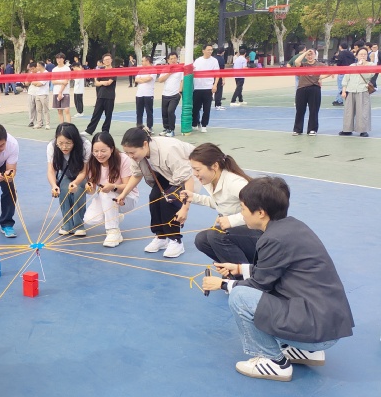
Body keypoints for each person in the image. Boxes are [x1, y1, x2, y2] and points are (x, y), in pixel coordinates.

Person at [202, 177, 354, 382]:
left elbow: (259, 285)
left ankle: (274, 362)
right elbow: (274, 270)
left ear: (260, 212)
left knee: (239, 296)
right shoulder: (293, 227)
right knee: (260, 293)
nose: (242, 213)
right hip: (326, 325)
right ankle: (306, 351)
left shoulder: (272, 239)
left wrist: (222, 284)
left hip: (317, 331)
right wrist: (239, 268)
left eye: (243, 208)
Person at [116, 127, 197, 258]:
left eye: (132, 152)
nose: (130, 156)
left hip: (190, 174)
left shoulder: (169, 150)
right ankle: (161, 237)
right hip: (167, 174)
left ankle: (175, 240)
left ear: (145, 144)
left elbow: (188, 179)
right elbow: (136, 175)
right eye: (127, 153)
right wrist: (123, 194)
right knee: (154, 197)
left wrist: (185, 209)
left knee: (169, 199)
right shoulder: (137, 155)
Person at [180, 143, 259, 264]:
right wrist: (194, 197)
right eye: (193, 169)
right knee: (201, 240)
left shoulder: (235, 183)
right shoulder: (211, 180)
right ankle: (233, 266)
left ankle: (243, 272)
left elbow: (259, 210)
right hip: (241, 232)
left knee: (215, 235)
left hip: (258, 234)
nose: (194, 174)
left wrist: (231, 220)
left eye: (197, 169)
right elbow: (221, 203)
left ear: (215, 166)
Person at [84, 133, 138, 247]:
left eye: (103, 151)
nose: (99, 155)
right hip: (107, 198)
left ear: (112, 149)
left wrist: (113, 186)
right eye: (95, 151)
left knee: (106, 193)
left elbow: (128, 186)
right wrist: (89, 187)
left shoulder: (123, 159)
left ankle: (113, 232)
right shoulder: (92, 162)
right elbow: (92, 191)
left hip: (127, 198)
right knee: (90, 219)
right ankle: (114, 216)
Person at [47, 123, 91, 236]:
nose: (64, 147)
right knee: (63, 190)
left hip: (80, 173)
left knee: (78, 191)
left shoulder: (85, 145)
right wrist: (54, 185)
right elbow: (51, 170)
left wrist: (75, 183)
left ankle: (79, 225)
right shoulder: (52, 146)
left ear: (75, 141)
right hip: (65, 173)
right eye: (60, 143)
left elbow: (84, 172)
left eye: (68, 143)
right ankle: (67, 224)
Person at [293, 49, 331, 136]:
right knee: (300, 110)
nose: (310, 56)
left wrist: (321, 78)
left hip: (314, 88)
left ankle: (312, 129)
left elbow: (330, 71)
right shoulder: (303, 65)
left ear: (315, 55)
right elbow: (296, 62)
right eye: (308, 55)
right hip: (302, 88)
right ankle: (297, 129)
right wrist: (305, 53)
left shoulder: (319, 65)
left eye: (311, 54)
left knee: (313, 110)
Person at [339, 47, 374, 137]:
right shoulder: (352, 66)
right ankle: (347, 129)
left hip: (362, 90)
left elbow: (369, 76)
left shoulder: (371, 65)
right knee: (348, 111)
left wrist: (363, 66)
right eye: (361, 54)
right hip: (351, 90)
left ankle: (363, 130)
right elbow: (346, 79)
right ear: (357, 56)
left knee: (363, 111)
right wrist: (344, 91)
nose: (363, 56)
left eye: (365, 54)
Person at [85, 53, 116, 136]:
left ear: (111, 60)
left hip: (110, 96)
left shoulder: (114, 71)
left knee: (108, 115)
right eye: (105, 60)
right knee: (96, 113)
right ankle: (89, 130)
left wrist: (100, 82)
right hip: (100, 95)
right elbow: (96, 83)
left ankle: (105, 131)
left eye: (108, 59)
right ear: (103, 61)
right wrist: (102, 82)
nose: (107, 61)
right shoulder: (101, 70)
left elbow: (109, 83)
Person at [191, 45, 220, 133]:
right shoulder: (198, 60)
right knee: (195, 108)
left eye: (211, 50)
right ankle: (195, 123)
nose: (210, 51)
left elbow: (217, 73)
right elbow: (192, 72)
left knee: (206, 109)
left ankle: (204, 125)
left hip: (208, 88)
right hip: (197, 88)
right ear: (203, 51)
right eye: (208, 50)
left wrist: (215, 85)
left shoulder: (214, 61)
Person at [157, 52, 183, 136]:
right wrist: (169, 73)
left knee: (170, 111)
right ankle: (166, 128)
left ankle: (172, 130)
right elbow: (160, 80)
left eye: (175, 58)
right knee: (164, 113)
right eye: (171, 59)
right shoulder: (165, 69)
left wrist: (180, 91)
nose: (173, 60)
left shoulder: (180, 69)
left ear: (177, 59)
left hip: (175, 94)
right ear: (168, 60)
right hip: (165, 94)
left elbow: (182, 80)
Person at [134, 56, 157, 133]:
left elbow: (149, 79)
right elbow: (136, 79)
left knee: (149, 112)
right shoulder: (141, 70)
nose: (142, 63)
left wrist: (141, 80)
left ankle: (149, 127)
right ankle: (139, 127)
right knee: (139, 112)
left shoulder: (153, 70)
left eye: (143, 61)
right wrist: (143, 80)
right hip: (139, 94)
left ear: (147, 61)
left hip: (148, 94)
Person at [52, 52, 72, 124]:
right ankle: (61, 126)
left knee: (66, 110)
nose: (58, 60)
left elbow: (66, 82)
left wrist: (60, 92)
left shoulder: (67, 69)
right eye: (57, 58)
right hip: (56, 91)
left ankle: (69, 125)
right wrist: (61, 82)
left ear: (63, 59)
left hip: (65, 92)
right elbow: (53, 81)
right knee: (59, 111)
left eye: (60, 58)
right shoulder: (54, 69)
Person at [33, 61, 51, 130]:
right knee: (38, 110)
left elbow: (41, 84)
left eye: (37, 66)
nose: (37, 67)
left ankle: (47, 124)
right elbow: (33, 82)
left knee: (45, 110)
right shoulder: (37, 73)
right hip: (37, 94)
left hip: (44, 94)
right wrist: (36, 83)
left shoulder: (46, 73)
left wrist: (37, 83)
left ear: (41, 66)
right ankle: (39, 123)